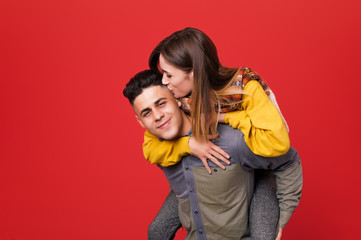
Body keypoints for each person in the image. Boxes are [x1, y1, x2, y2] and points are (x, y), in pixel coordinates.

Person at [123, 70, 303, 239]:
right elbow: (152, 154)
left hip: (252, 184)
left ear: (178, 100)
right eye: (147, 113)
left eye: (161, 103)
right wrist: (188, 144)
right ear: (140, 121)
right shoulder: (157, 143)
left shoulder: (231, 140)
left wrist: (283, 214)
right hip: (196, 209)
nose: (157, 116)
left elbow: (287, 159)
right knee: (156, 231)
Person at [144, 27, 290, 174]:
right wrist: (189, 145)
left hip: (263, 173)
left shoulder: (245, 89)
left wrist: (222, 117)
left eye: (169, 75)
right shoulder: (179, 99)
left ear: (194, 73)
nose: (163, 81)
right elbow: (149, 148)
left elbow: (277, 143)